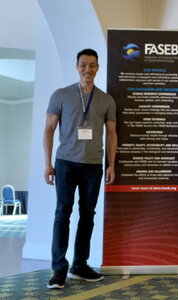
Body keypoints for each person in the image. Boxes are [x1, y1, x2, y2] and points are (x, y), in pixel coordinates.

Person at [43, 48, 117, 289]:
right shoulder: (61, 94)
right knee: (62, 213)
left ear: (98, 68)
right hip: (66, 163)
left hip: (93, 165)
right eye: (83, 64)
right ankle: (59, 269)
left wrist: (111, 164)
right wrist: (48, 164)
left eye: (92, 65)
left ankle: (80, 264)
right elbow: (49, 129)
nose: (88, 69)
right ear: (77, 66)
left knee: (88, 215)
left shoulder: (106, 99)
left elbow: (112, 133)